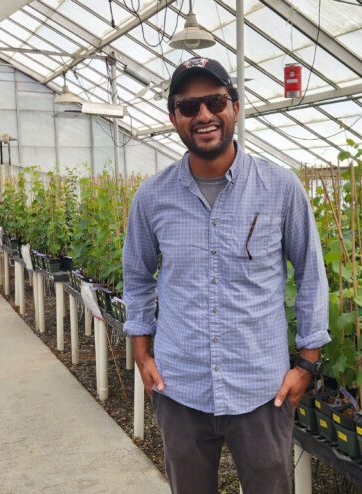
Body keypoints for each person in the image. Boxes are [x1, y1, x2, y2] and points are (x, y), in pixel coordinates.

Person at [122, 57, 330, 494]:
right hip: (180, 387)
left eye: (215, 101)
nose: (203, 116)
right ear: (173, 117)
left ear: (235, 106)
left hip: (262, 388)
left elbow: (310, 272)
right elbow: (137, 276)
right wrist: (142, 354)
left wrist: (307, 365)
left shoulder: (279, 187)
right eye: (188, 106)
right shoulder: (153, 196)